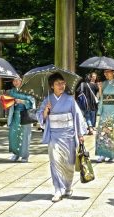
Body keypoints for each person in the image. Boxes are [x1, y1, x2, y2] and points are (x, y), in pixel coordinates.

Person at [37, 72, 87, 202]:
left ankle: (68, 186)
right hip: (54, 135)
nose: (61, 85)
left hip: (69, 135)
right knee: (55, 162)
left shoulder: (70, 99)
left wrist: (80, 134)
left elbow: (77, 116)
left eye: (63, 83)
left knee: (69, 163)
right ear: (52, 86)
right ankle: (58, 189)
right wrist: (45, 111)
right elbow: (40, 117)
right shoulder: (47, 100)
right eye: (58, 83)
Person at [95, 69, 114, 163]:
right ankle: (102, 154)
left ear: (113, 72)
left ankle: (113, 155)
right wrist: (100, 88)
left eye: (108, 72)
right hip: (105, 110)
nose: (106, 74)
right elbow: (101, 97)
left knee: (113, 133)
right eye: (105, 72)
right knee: (102, 133)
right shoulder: (103, 83)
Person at [8, 76, 35, 163]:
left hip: (24, 115)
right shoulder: (12, 91)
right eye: (14, 81)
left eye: (17, 80)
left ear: (21, 81)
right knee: (13, 135)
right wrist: (11, 102)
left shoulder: (27, 90)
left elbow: (32, 102)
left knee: (25, 135)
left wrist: (22, 101)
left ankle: (25, 155)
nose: (15, 82)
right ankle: (16, 154)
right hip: (14, 115)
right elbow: (9, 102)